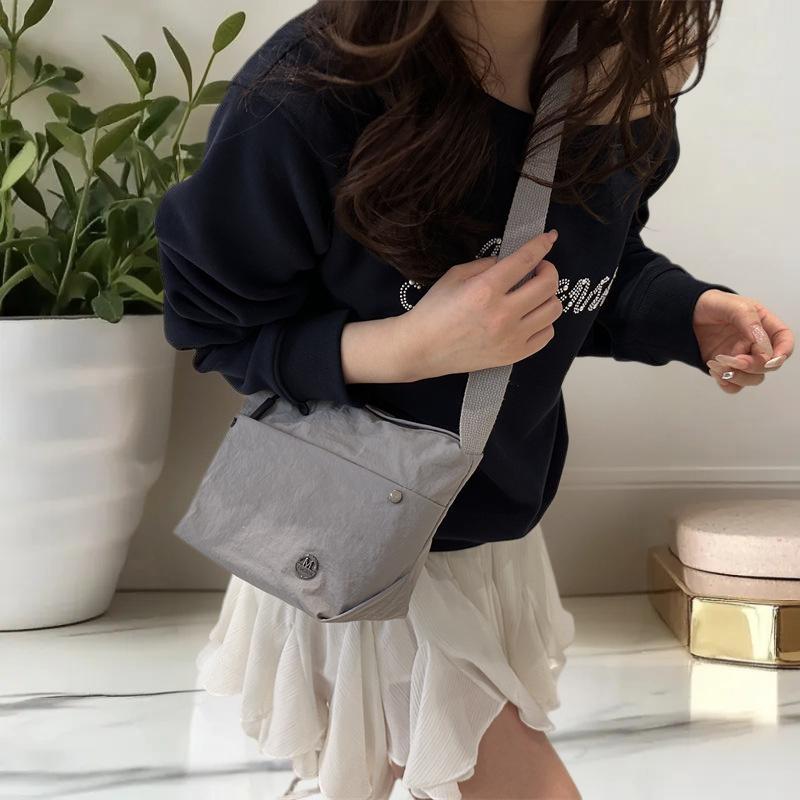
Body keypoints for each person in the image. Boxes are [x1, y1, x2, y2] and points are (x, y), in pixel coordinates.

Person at [154, 2, 794, 798]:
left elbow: (583, 264)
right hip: (356, 533)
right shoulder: (313, 88)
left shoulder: (618, 83)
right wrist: (410, 346)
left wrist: (683, 313)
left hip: (489, 528)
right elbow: (215, 324)